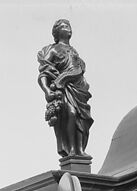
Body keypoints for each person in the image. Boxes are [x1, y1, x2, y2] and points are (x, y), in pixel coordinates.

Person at [37, 19, 93, 158]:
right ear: (57, 32)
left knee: (81, 117)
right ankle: (71, 149)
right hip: (64, 87)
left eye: (69, 26)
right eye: (64, 26)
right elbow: (44, 72)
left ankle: (80, 149)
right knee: (71, 113)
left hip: (79, 88)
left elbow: (77, 68)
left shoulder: (74, 51)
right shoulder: (53, 50)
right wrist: (47, 90)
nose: (68, 28)